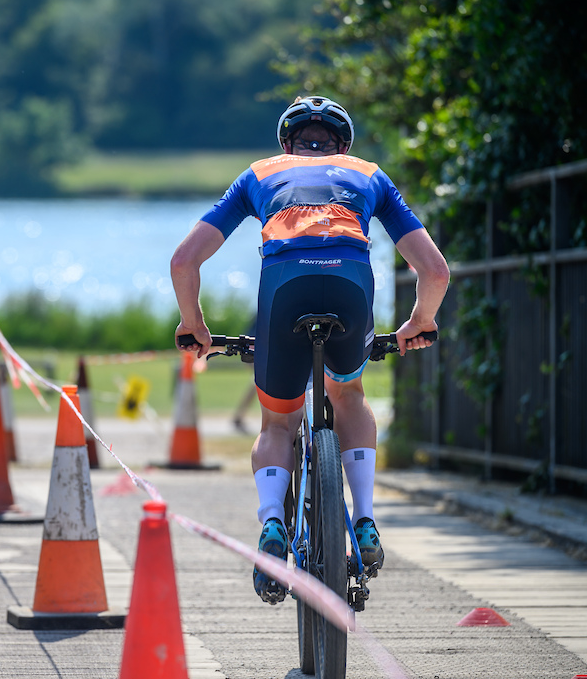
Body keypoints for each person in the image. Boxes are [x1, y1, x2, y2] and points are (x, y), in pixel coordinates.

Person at [170, 95, 450, 603]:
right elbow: (435, 270)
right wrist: (419, 321)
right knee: (350, 396)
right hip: (351, 288)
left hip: (284, 290)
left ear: (286, 144)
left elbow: (184, 261)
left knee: (277, 422)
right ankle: (364, 520)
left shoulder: (259, 174)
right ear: (343, 146)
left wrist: (196, 325)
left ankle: (273, 524)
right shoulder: (368, 174)